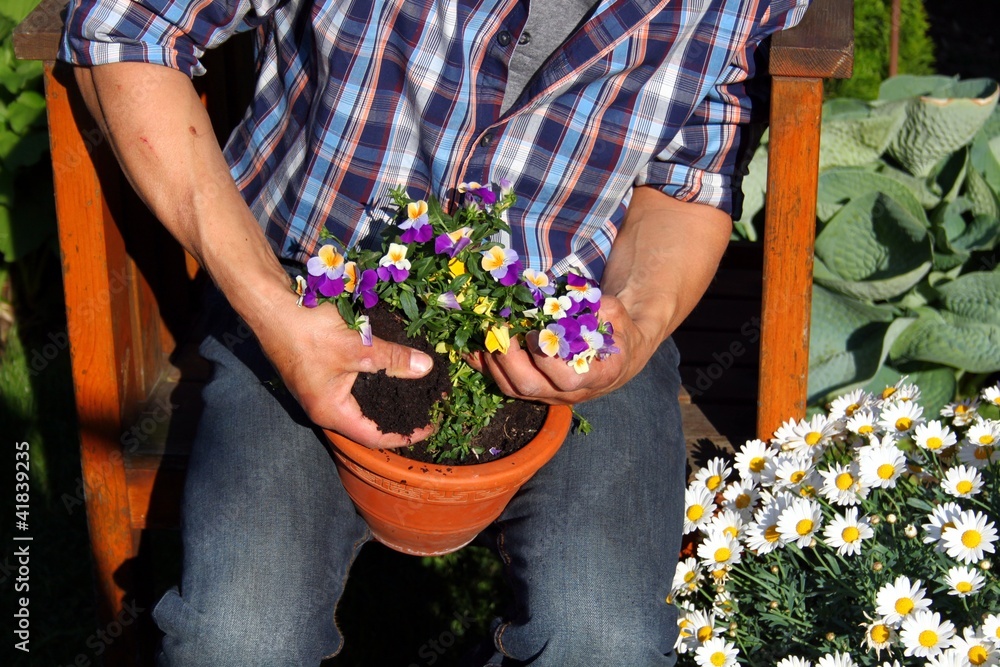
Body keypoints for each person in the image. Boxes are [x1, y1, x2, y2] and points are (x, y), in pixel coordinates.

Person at [60, 0, 810, 663]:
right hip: (313, 292)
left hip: (568, 311)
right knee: (239, 640)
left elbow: (687, 180)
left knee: (604, 640)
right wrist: (269, 306)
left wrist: (637, 324)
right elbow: (125, 26)